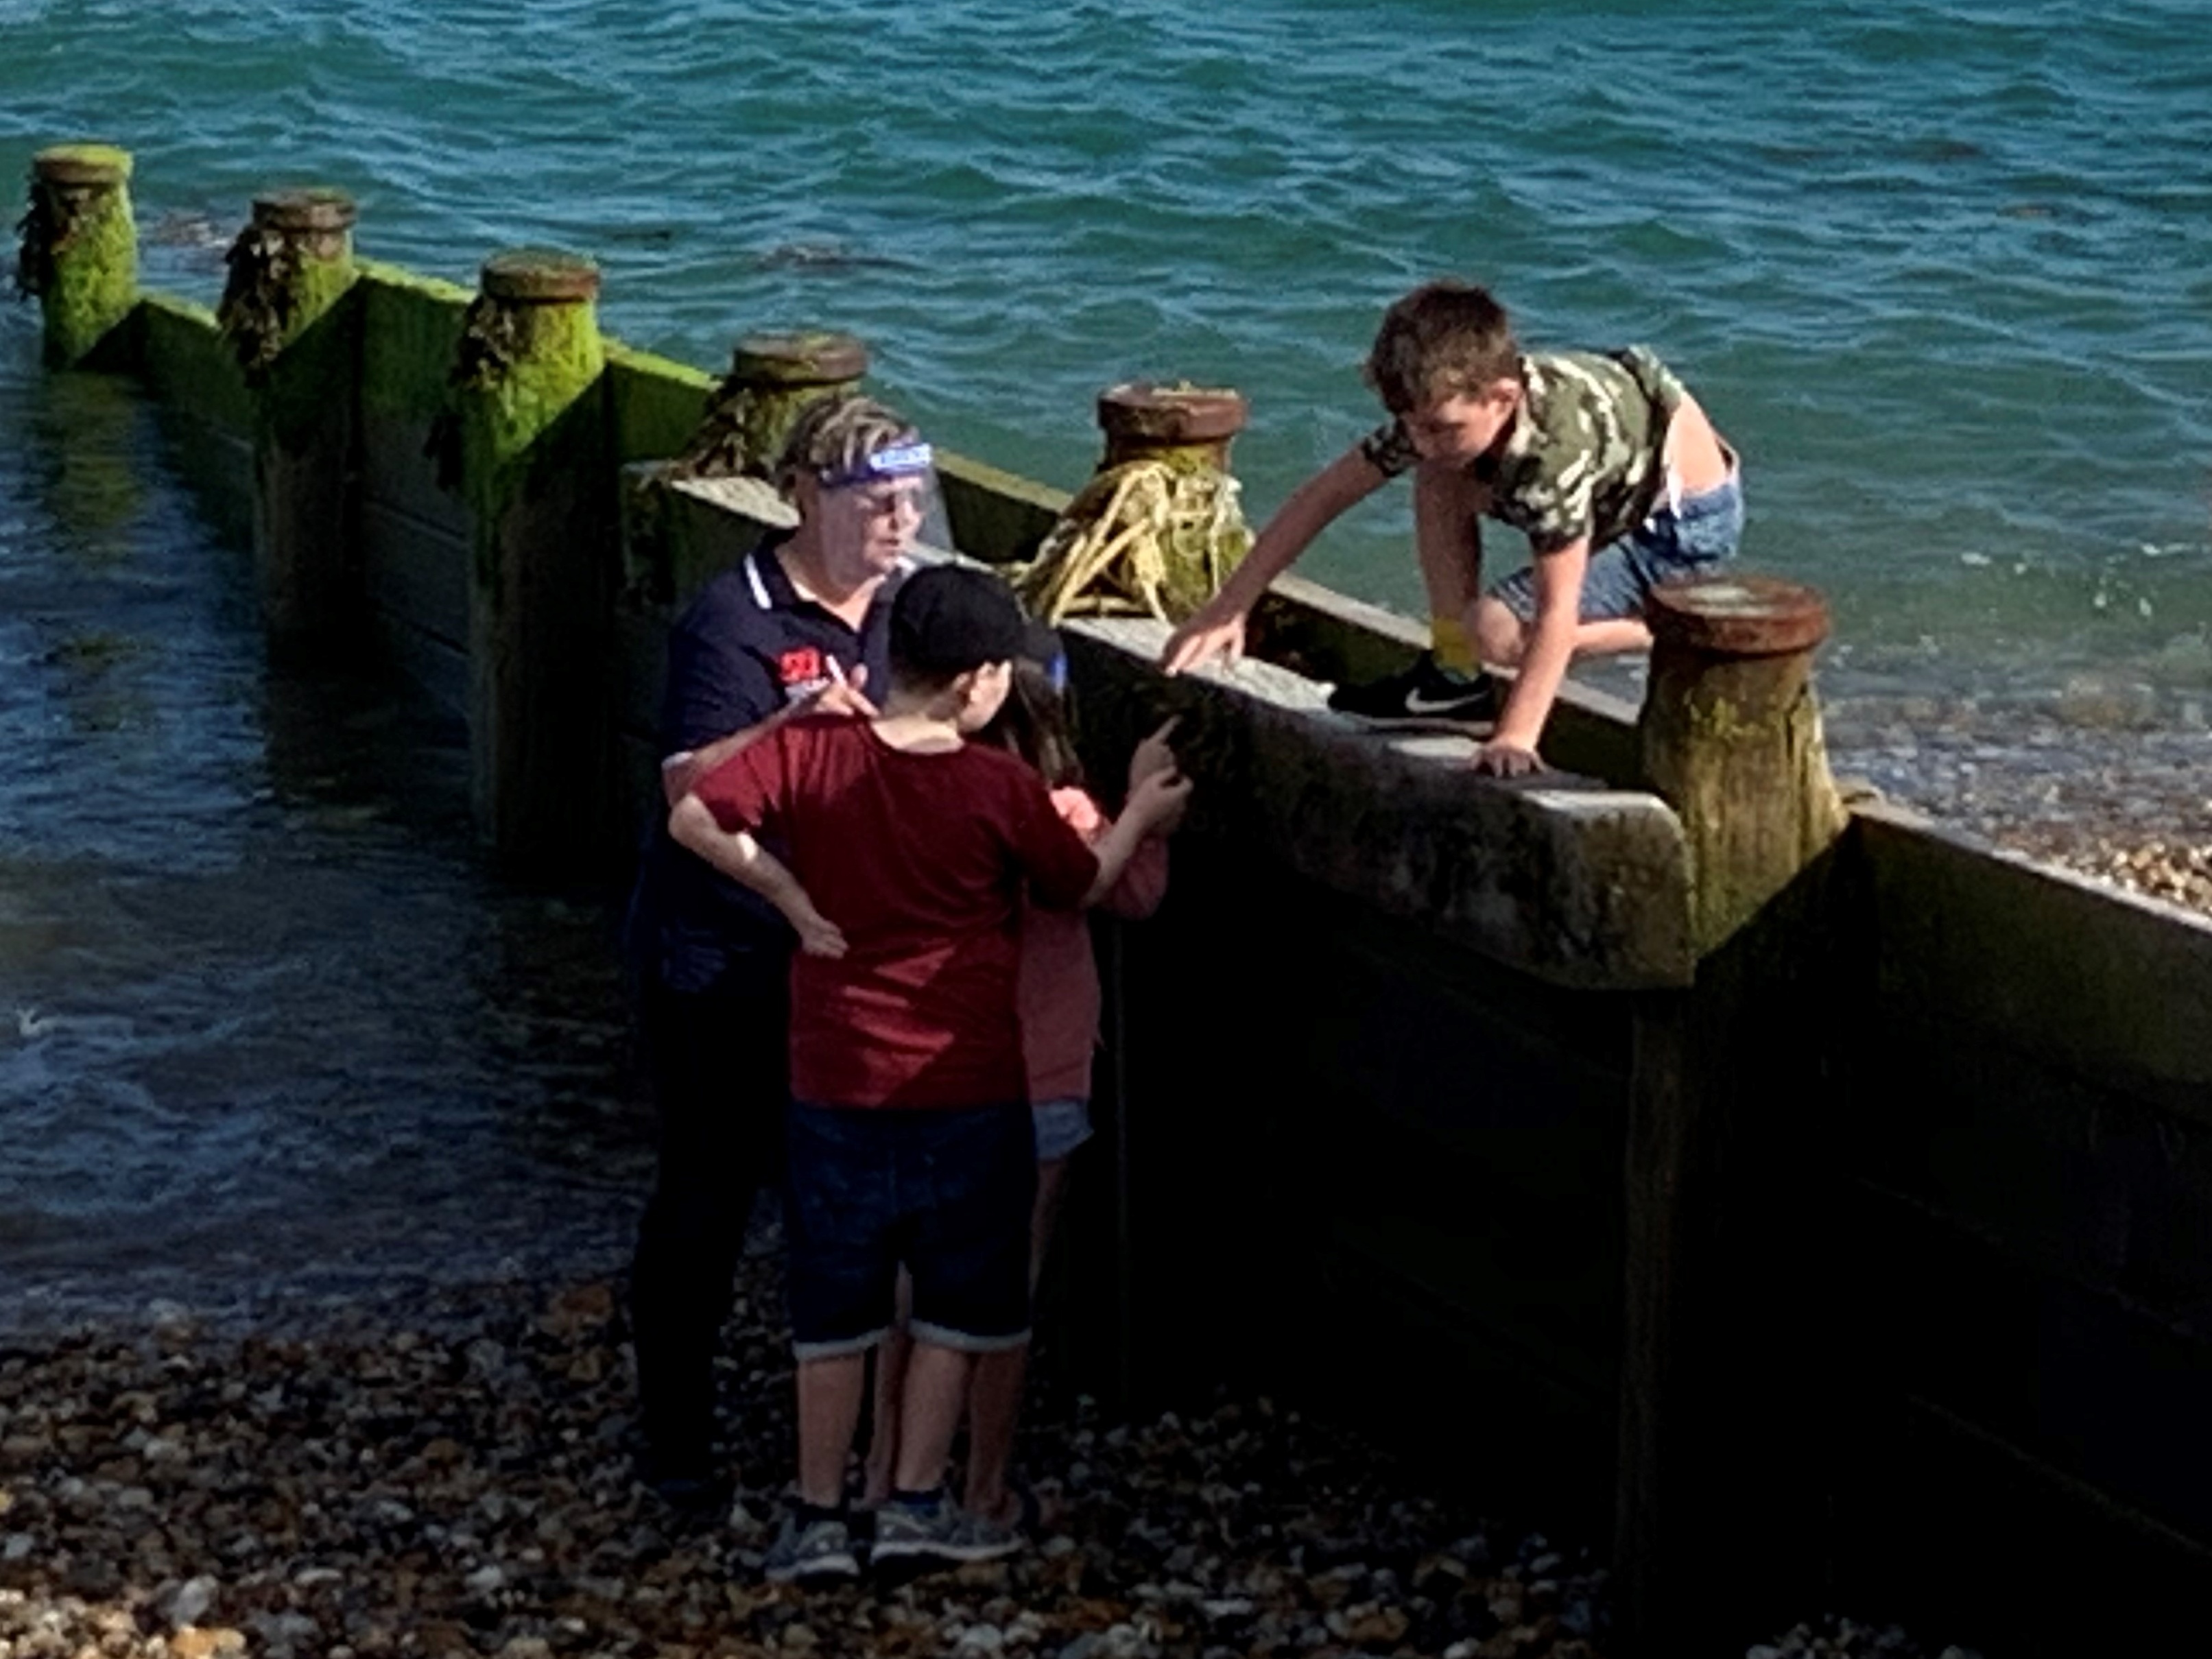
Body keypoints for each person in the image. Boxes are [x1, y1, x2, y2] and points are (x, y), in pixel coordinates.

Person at [669, 564, 1193, 1582]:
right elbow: (1085, 881)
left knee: (837, 1303)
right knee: (965, 1296)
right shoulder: (997, 786)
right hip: (970, 1083)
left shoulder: (815, 752)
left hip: (833, 1074)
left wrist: (787, 897)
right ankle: (917, 1499)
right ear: (978, 679)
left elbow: (695, 813)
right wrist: (1139, 811)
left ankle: (823, 1512)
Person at [622, 394, 933, 1514]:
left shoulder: (908, 607)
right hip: (722, 950)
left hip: (849, 955)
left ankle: (845, 1435)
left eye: (910, 498)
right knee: (706, 1190)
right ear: (806, 493)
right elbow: (686, 785)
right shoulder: (733, 620)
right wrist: (793, 730)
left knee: (846, 1194)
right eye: (873, 501)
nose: (897, 521)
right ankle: (674, 1429)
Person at [1159, 279, 1743, 776]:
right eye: (1409, 425)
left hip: (1674, 525)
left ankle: (1666, 630)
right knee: (1435, 474)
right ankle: (1454, 675)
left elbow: (1556, 607)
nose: (1421, 439)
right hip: (1615, 486)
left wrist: (1516, 735)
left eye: (1442, 426)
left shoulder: (1550, 456)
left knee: (1493, 631)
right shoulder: (1435, 424)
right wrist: (1230, 606)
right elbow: (1322, 497)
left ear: (1501, 396)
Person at [861, 642, 1180, 1535]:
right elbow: (1130, 891)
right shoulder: (1061, 810)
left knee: (907, 1277)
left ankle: (884, 1467)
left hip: (922, 1080)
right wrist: (1144, 806)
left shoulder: (916, 804)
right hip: (1035, 1080)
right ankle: (981, 1485)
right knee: (1003, 1290)